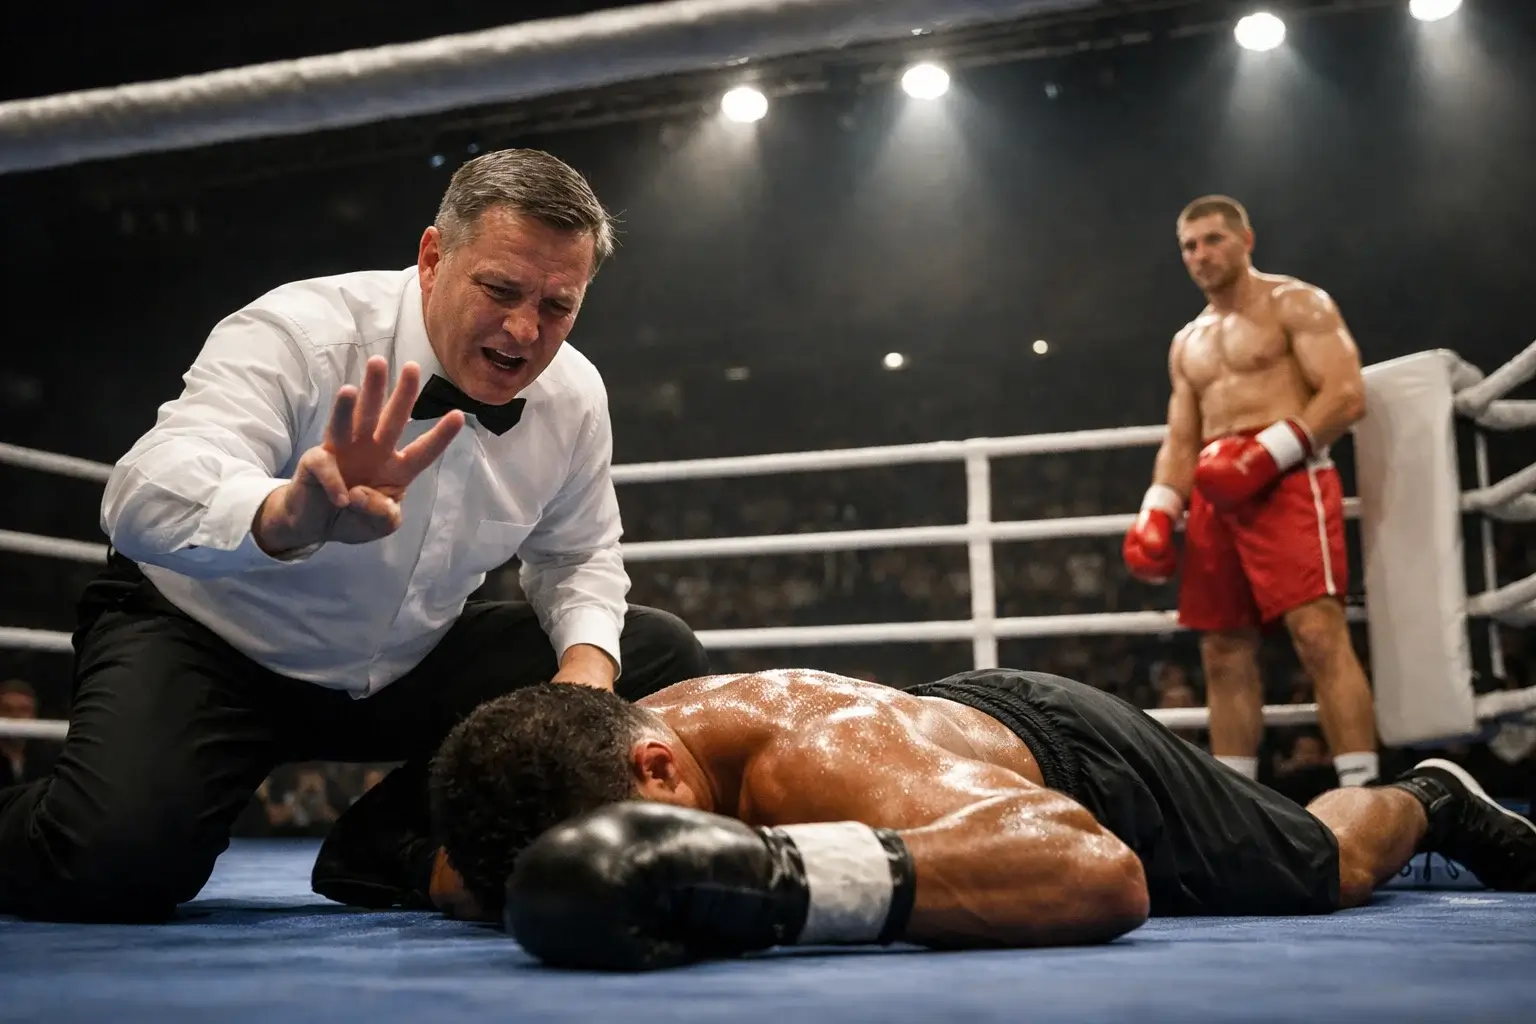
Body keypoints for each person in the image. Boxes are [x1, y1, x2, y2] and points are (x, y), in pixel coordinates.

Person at [0, 148, 708, 923]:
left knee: (651, 655)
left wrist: (584, 673)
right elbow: (140, 492)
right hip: (210, 641)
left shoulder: (572, 395)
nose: (523, 330)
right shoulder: (304, 331)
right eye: (501, 290)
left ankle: (390, 846)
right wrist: (284, 515)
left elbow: (579, 554)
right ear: (433, 257)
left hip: (404, 661)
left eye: (558, 306)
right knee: (110, 863)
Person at [427, 669, 1536, 970]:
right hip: (944, 753)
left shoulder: (816, 760)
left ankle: (1429, 795)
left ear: (657, 765)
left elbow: (1101, 873)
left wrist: (773, 878)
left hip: (1077, 760)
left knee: (1327, 865)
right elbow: (464, 866)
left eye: (638, 835)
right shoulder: (572, 760)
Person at [1123, 195, 1380, 788]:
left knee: (1318, 635)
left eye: (1213, 239)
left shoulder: (1296, 302)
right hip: (1216, 495)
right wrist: (1158, 510)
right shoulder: (1188, 341)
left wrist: (1269, 454)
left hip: (1289, 478)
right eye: (1189, 245)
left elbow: (1344, 395)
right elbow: (1182, 440)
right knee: (1222, 651)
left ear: (1246, 240)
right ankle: (1234, 804)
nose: (1201, 254)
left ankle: (1363, 794)